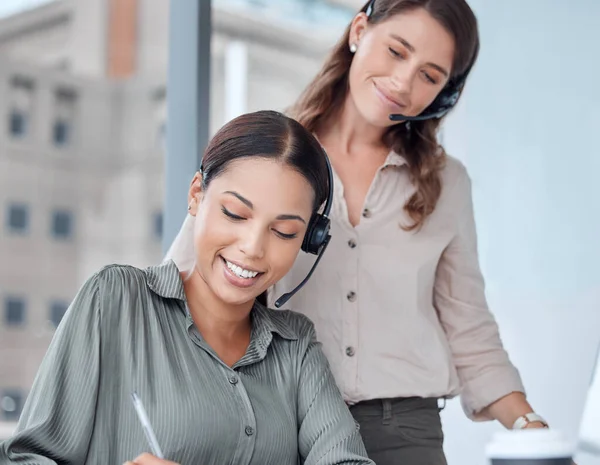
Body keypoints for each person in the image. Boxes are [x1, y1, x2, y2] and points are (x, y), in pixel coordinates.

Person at [0, 110, 374, 465]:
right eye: (235, 214)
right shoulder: (116, 300)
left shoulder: (295, 347)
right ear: (197, 195)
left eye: (284, 232)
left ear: (308, 238)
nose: (253, 248)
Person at [269, 1, 550, 464]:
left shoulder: (447, 184)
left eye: (429, 76)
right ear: (359, 30)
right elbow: (191, 284)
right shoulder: (268, 153)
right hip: (280, 424)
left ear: (443, 94)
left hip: (404, 435)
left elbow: (469, 329)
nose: (403, 83)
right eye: (397, 51)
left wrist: (531, 428)